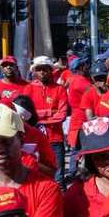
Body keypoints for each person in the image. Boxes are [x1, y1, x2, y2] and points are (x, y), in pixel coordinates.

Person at [29, 55, 69, 183]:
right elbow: (26, 115)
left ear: (50, 70)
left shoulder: (60, 89)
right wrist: (50, 112)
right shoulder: (28, 89)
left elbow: (62, 115)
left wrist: (37, 117)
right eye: (39, 69)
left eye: (45, 69)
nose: (42, 72)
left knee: (58, 179)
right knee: (36, 178)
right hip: (34, 141)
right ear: (34, 71)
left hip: (55, 139)